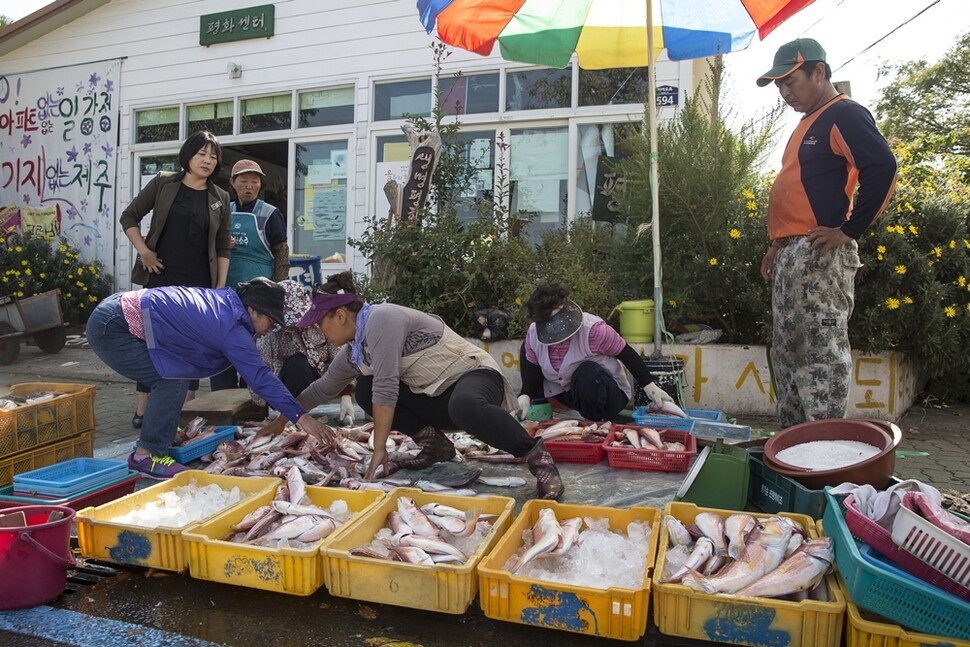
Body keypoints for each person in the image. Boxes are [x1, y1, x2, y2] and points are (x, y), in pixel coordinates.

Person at [261, 271, 565, 500]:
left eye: (319, 323)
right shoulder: (353, 350)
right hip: (436, 399)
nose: (318, 330)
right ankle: (437, 447)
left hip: (473, 377)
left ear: (340, 316)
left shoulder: (383, 318)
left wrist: (379, 448)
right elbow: (321, 389)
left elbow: (387, 387)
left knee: (461, 404)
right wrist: (282, 420)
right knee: (364, 388)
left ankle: (538, 458)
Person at [756, 39, 897, 428]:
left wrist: (847, 231)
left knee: (819, 356)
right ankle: (793, 448)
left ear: (818, 72)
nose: (784, 92)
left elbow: (882, 167)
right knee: (789, 354)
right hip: (794, 253)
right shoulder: (808, 123)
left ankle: (824, 450)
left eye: (791, 81)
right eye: (778, 85)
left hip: (820, 256)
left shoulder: (844, 114)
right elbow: (801, 192)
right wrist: (777, 244)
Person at [85, 278, 336, 478]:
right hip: (114, 326)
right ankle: (146, 455)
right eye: (271, 319)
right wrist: (301, 417)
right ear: (253, 310)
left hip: (118, 312)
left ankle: (159, 435)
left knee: (175, 373)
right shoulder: (231, 327)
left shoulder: (228, 305)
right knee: (171, 377)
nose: (272, 327)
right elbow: (260, 377)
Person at [119, 131, 232, 428]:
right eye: (201, 154)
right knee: (154, 343)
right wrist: (144, 251)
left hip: (199, 287)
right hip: (161, 280)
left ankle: (186, 411)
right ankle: (142, 409)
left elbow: (223, 245)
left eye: (213, 156)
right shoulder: (163, 183)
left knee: (192, 346)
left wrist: (219, 289)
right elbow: (129, 217)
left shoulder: (220, 197)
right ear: (188, 156)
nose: (207, 161)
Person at [517, 284, 677, 423]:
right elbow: (533, 369)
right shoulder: (535, 333)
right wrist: (526, 395)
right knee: (527, 347)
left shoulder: (594, 331)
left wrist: (649, 386)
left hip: (606, 395)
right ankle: (537, 407)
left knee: (586, 370)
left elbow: (627, 354)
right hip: (569, 393)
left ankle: (595, 420)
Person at [211, 159, 290, 391]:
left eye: (254, 182)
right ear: (232, 183)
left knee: (254, 355)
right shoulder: (224, 211)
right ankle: (221, 407)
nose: (249, 186)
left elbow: (282, 256)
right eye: (243, 181)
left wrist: (275, 293)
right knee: (223, 353)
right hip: (226, 295)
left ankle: (252, 407)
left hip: (258, 300)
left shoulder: (270, 214)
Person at [248, 279, 355, 424]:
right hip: (282, 391)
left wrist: (346, 394)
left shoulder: (319, 325)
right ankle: (291, 416)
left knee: (303, 365)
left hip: (319, 384)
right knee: (299, 364)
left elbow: (340, 356)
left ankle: (301, 414)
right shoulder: (268, 334)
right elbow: (258, 376)